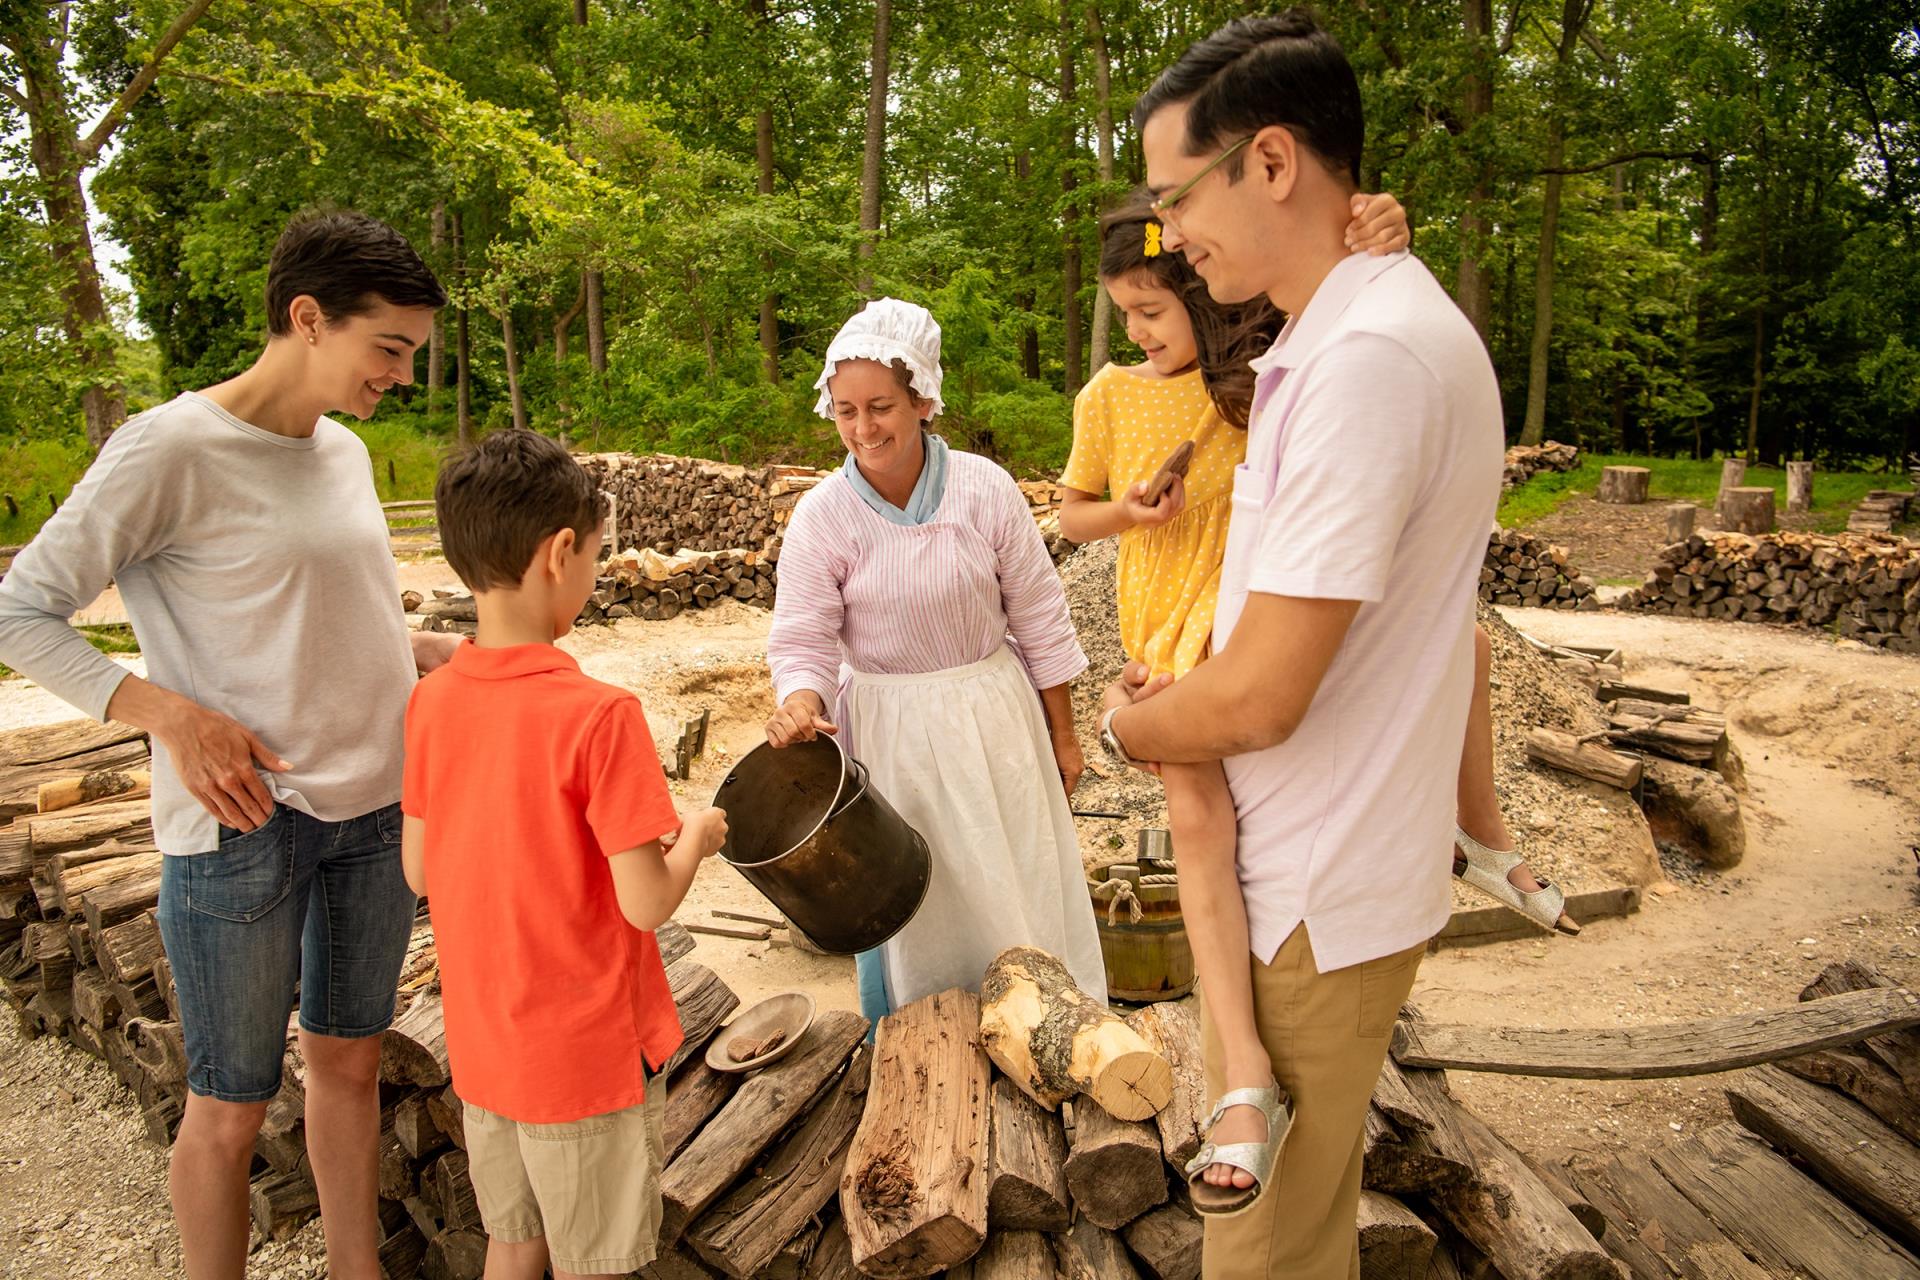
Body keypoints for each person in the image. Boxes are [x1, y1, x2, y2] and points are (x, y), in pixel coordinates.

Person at [1063, 197, 1573, 1214]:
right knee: (1199, 827)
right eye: (1126, 315)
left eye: (1155, 310)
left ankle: (1482, 828)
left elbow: (1320, 292)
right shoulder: (1111, 398)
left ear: (1206, 294)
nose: (1140, 333)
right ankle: (1242, 1063)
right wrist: (1132, 510)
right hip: (1178, 635)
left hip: (1253, 616)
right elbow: (1073, 514)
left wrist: (1372, 229)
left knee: (1459, 642)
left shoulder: (1262, 371)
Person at [1098, 13, 1504, 1276]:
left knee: (1265, 1254)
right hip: (1318, 881)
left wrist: (1133, 726)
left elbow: (1268, 696)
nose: (1167, 236)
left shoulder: (1366, 361)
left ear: (1272, 161)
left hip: (1304, 901)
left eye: (1176, 197)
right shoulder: (1346, 331)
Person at [0, 211, 458, 1279]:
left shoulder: (341, 451)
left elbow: (333, 609)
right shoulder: (168, 447)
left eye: (410, 354)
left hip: (379, 812)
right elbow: (22, 611)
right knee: (231, 1101)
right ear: (308, 318)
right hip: (244, 827)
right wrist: (170, 714)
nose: (399, 373)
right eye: (386, 346)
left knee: (348, 1063)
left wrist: (430, 648)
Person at [400, 429, 727, 1280]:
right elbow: (646, 903)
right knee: (598, 1261)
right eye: (595, 556)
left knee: (514, 1242)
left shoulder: (433, 702)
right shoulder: (600, 715)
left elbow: (419, 872)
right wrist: (695, 836)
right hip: (584, 1060)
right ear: (559, 555)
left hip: (486, 1049)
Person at [764, 297, 1104, 1024]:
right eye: (844, 410)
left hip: (993, 719)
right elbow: (803, 639)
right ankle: (927, 1045)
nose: (862, 428)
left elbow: (1040, 616)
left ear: (922, 398)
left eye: (880, 406)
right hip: (891, 734)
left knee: (1013, 881)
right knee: (920, 898)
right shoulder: (823, 517)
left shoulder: (984, 491)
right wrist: (800, 701)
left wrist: (1064, 736)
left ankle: (1046, 1028)